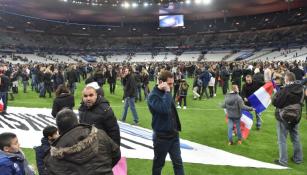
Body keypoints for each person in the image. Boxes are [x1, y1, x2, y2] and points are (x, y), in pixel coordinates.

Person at [44, 109, 121, 175]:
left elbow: (116, 154)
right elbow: (116, 154)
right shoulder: (100, 134)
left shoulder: (53, 157)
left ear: (58, 129)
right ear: (77, 121)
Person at [147, 70, 184, 175]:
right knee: (158, 165)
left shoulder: (166, 92)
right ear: (160, 82)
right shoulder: (153, 96)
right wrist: (167, 92)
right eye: (169, 83)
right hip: (161, 137)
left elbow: (171, 111)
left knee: (178, 164)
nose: (171, 86)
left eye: (172, 83)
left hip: (174, 135)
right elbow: (164, 109)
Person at [272, 72, 304, 167]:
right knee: (295, 138)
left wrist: (276, 95)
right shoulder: (301, 88)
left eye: (284, 79)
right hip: (296, 117)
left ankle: (283, 161)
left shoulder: (285, 90)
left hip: (283, 118)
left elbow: (276, 103)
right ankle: (298, 158)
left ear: (287, 79)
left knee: (282, 139)